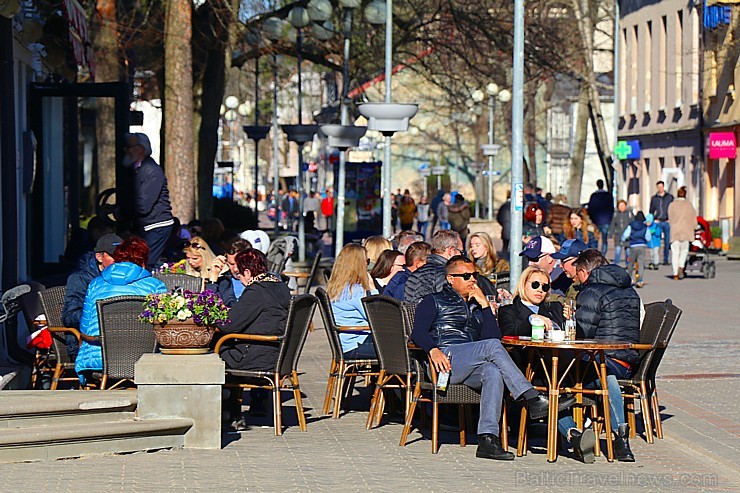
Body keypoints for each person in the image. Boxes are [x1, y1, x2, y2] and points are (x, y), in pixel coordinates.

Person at [411, 255, 569, 460]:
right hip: (444, 358)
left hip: (469, 362)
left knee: (492, 372)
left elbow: (493, 338)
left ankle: (487, 439)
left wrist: (485, 306)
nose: (472, 280)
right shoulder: (433, 301)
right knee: (492, 348)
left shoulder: (476, 305)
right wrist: (433, 350)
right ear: (450, 278)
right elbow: (418, 332)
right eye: (466, 276)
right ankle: (530, 397)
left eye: (474, 275)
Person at [557, 249, 640, 462]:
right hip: (629, 362)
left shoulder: (591, 292)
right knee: (606, 374)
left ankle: (573, 430)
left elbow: (582, 335)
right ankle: (620, 438)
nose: (576, 279)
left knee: (554, 380)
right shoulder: (629, 290)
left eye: (577, 274)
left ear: (584, 271)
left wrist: (572, 318)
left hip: (604, 360)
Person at [75, 237, 167, 385]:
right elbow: (162, 325)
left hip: (100, 356)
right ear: (143, 261)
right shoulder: (155, 286)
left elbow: (85, 327)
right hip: (144, 356)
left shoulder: (95, 284)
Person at [216, 249, 291, 425]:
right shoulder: (280, 286)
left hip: (256, 356)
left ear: (248, 273)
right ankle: (231, 410)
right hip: (278, 354)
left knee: (215, 351)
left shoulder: (257, 291)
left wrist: (221, 315)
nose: (240, 280)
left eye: (240, 275)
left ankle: (227, 411)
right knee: (227, 347)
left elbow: (229, 325)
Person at [62, 234, 122, 361]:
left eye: (122, 256)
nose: (119, 260)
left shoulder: (125, 278)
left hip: (120, 340)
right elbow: (69, 317)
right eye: (113, 256)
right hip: (87, 343)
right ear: (99, 257)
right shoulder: (80, 279)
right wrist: (99, 315)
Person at [122, 133, 175, 269]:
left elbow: (143, 205)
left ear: (140, 149)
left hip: (156, 226)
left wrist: (123, 212)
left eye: (129, 147)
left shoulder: (150, 171)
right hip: (148, 225)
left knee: (144, 264)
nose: (126, 150)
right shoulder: (138, 171)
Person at [326, 244, 377, 358]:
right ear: (359, 264)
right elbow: (376, 317)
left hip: (344, 344)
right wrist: (373, 289)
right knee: (400, 347)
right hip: (357, 345)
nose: (368, 265)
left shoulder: (337, 288)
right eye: (367, 261)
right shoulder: (355, 291)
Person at [497, 266, 566, 338]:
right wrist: (531, 320)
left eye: (545, 287)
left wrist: (569, 319)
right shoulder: (508, 311)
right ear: (523, 284)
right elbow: (508, 334)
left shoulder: (555, 308)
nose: (540, 290)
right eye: (535, 284)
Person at [404, 230, 463, 303]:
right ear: (451, 251)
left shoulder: (415, 274)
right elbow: (449, 307)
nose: (461, 256)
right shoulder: (446, 275)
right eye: (461, 251)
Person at [206, 237, 252, 307]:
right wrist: (213, 276)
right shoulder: (223, 283)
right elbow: (208, 305)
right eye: (231, 264)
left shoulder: (263, 280)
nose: (235, 269)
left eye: (239, 263)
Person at [667, 186, 697, 280]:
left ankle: (675, 273)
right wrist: (695, 227)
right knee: (684, 250)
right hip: (686, 231)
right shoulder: (689, 205)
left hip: (675, 231)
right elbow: (693, 218)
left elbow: (670, 218)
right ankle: (681, 266)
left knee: (675, 252)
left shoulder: (672, 205)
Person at [548, 239, 588, 303]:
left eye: (563, 261)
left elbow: (577, 305)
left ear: (577, 261)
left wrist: (550, 298)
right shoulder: (564, 278)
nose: (560, 265)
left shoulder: (591, 281)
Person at [621, 211, 651, 288]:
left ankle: (630, 279)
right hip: (642, 246)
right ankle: (640, 280)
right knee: (641, 263)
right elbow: (648, 237)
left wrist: (623, 239)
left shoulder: (631, 225)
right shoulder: (645, 227)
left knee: (631, 263)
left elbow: (626, 234)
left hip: (633, 245)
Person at [649, 180, 674, 265]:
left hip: (667, 221)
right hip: (657, 222)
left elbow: (673, 209)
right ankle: (656, 259)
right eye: (658, 187)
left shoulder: (670, 197)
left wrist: (671, 218)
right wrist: (651, 220)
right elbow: (651, 211)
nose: (660, 189)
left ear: (664, 187)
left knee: (667, 241)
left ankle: (666, 259)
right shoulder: (654, 198)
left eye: (661, 187)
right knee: (656, 241)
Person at [588, 179, 614, 254]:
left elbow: (591, 208)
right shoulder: (608, 196)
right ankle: (603, 254)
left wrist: (592, 218)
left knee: (595, 238)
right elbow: (611, 208)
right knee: (604, 239)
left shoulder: (594, 196)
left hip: (596, 220)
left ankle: (595, 253)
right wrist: (610, 218)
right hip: (606, 220)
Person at [610, 199, 633, 266]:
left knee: (628, 251)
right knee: (618, 250)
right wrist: (610, 234)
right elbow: (612, 224)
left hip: (628, 236)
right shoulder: (616, 214)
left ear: (625, 206)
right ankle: (616, 264)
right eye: (620, 206)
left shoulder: (629, 213)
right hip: (618, 235)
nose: (621, 207)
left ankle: (628, 264)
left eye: (623, 205)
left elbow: (633, 223)